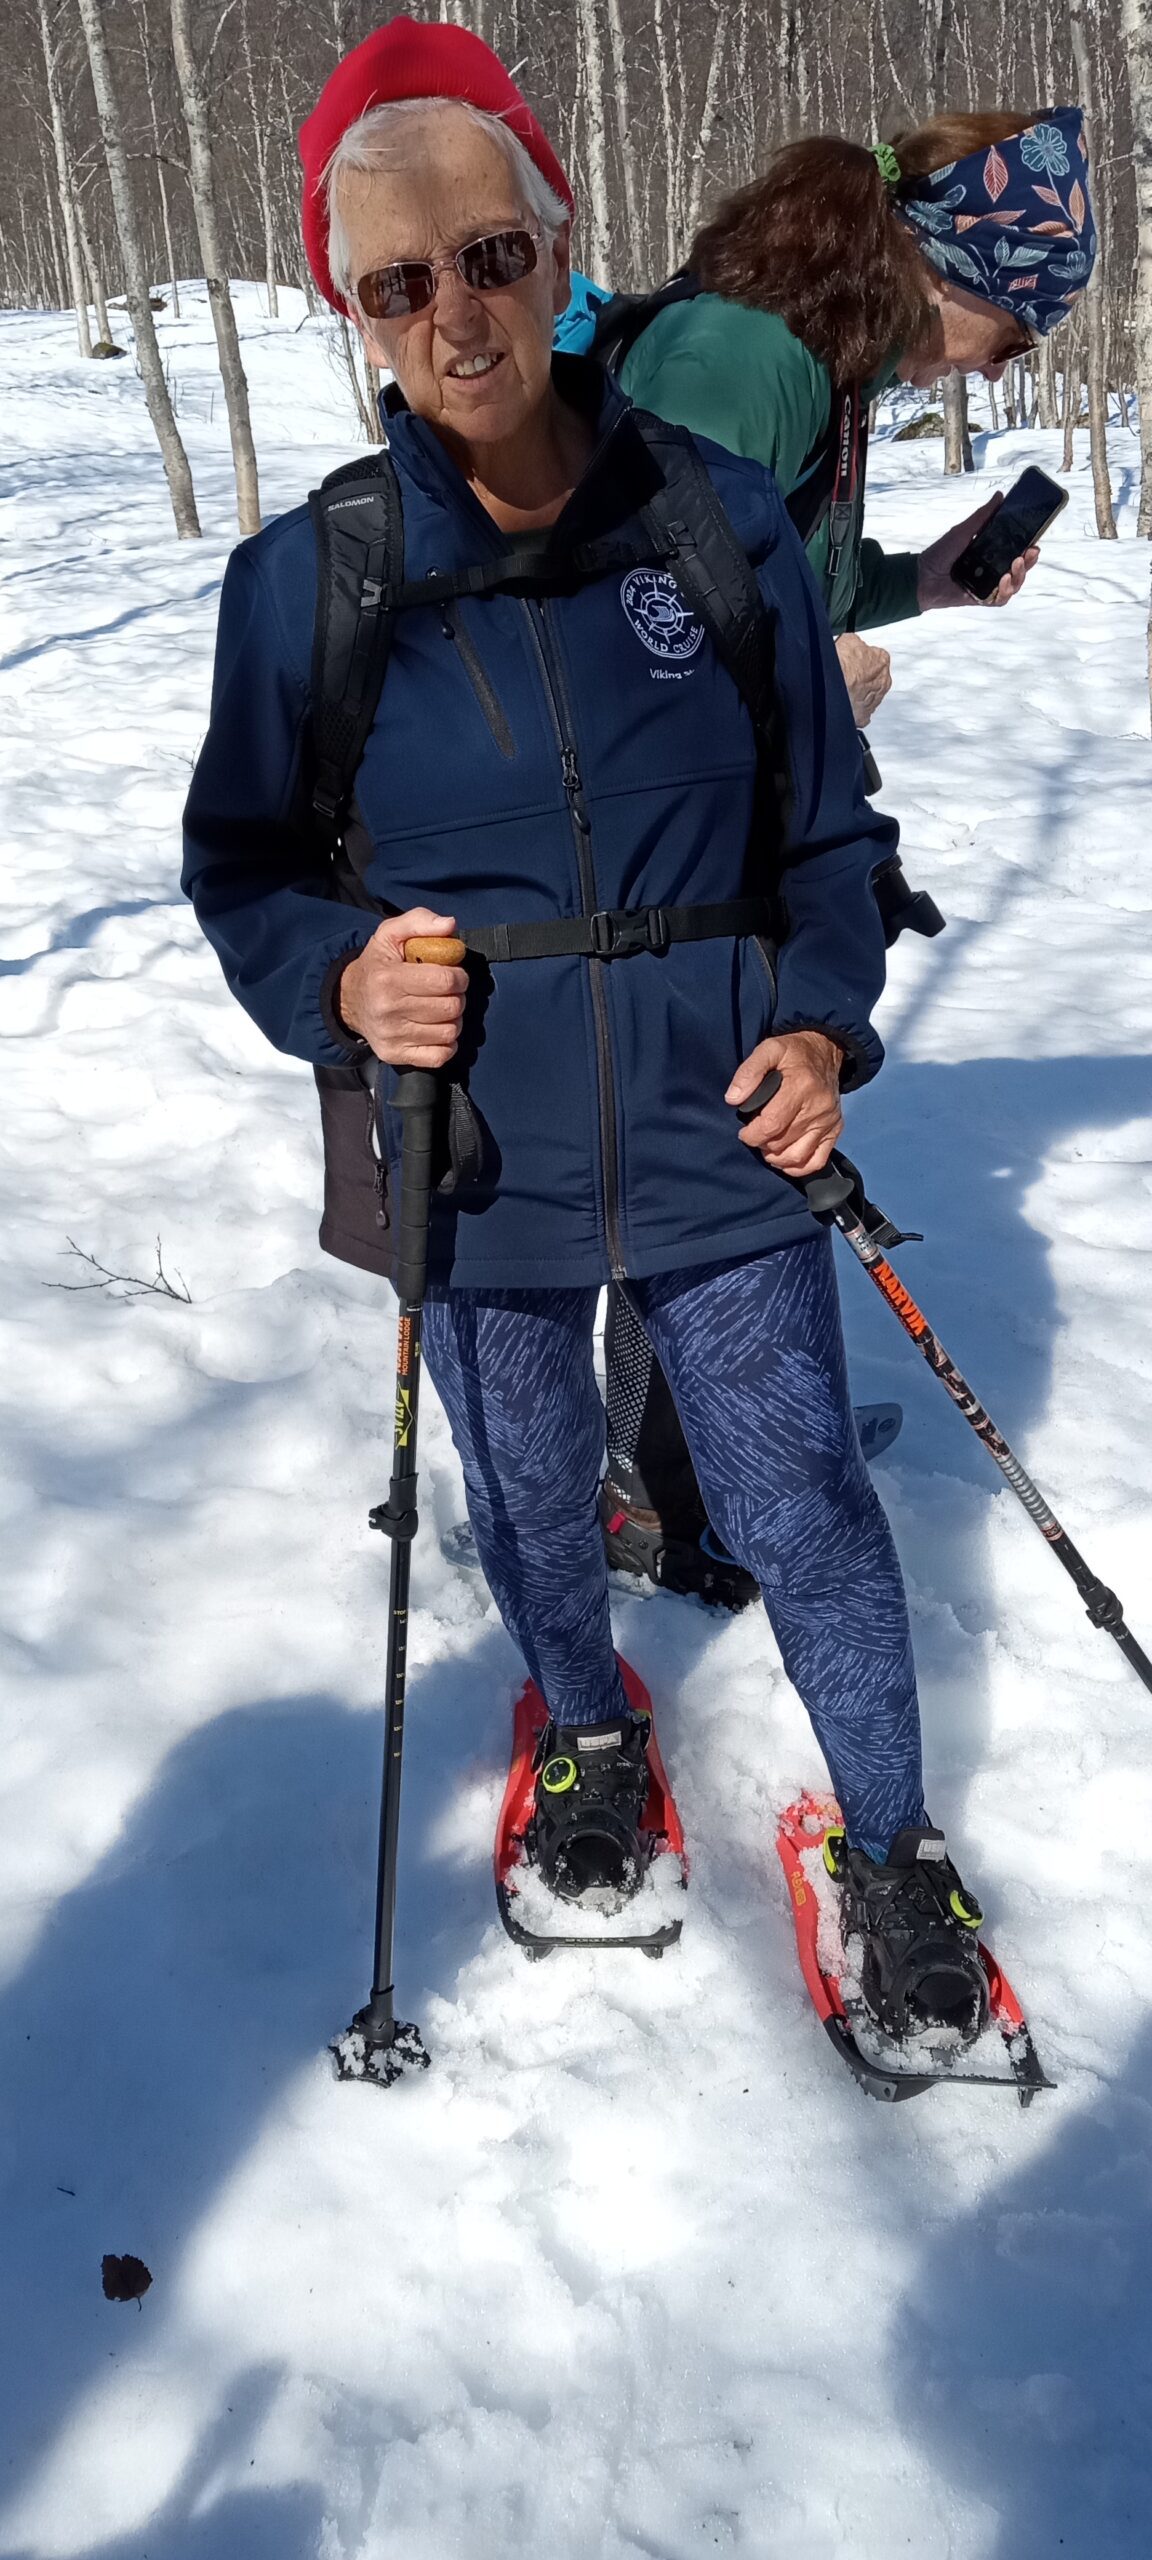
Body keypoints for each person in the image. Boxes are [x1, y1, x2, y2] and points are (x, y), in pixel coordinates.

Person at [182, 17, 998, 2043]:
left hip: (727, 1129)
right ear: (351, 308)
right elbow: (246, 868)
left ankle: (892, 1845)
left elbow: (827, 832)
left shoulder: (714, 522)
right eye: (398, 282)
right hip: (482, 1160)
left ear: (558, 246)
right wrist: (339, 979)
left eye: (489, 257)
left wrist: (822, 1025)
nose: (455, 316)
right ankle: (585, 1729)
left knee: (802, 1501)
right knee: (539, 1493)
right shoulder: (312, 581)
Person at [583, 110, 1097, 1606]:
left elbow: (771, 572)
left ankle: (719, 1461)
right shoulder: (746, 360)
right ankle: (655, 1498)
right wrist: (807, 702)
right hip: (654, 850)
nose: (995, 371)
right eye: (1014, 336)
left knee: (734, 1156)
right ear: (949, 271)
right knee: (704, 1169)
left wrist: (915, 585)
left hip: (715, 830)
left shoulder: (819, 365)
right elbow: (632, 619)